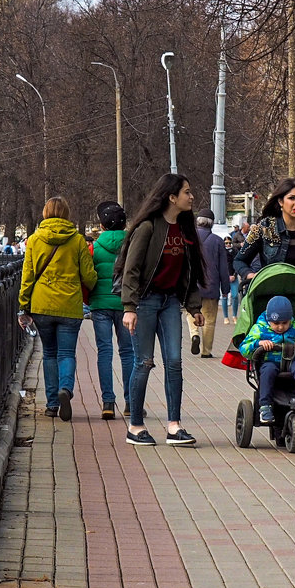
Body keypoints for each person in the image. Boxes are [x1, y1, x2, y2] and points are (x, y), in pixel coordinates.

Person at [118, 173, 206, 446]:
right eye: (186, 192)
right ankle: (135, 426)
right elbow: (130, 270)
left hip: (170, 302)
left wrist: (194, 306)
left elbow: (189, 273)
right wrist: (129, 307)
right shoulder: (147, 227)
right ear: (171, 197)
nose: (191, 197)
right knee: (143, 362)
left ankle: (174, 426)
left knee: (174, 362)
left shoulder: (185, 229)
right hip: (145, 302)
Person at [18, 196, 98, 421]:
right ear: (66, 214)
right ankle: (66, 389)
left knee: (49, 353)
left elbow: (28, 276)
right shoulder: (77, 240)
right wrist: (92, 287)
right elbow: (88, 275)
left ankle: (52, 404)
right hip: (70, 306)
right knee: (66, 353)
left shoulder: (34, 240)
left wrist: (24, 305)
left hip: (42, 306)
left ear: (45, 213)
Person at [86, 201, 136, 420]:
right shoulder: (133, 245)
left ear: (102, 225)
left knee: (104, 353)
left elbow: (88, 276)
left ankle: (108, 402)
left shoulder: (93, 248)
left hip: (100, 306)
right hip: (126, 305)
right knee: (128, 353)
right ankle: (131, 402)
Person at [234, 177, 295, 285]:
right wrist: (251, 275)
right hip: (272, 294)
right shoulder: (264, 228)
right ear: (281, 201)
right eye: (292, 198)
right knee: (280, 302)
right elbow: (239, 261)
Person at [238, 295, 295, 423]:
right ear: (269, 319)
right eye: (276, 323)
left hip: (292, 361)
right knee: (267, 371)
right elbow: (243, 348)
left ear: (290, 319)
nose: (280, 327)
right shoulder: (260, 328)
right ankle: (265, 406)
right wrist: (259, 343)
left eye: (285, 323)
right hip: (269, 361)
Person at [188, 208, 231, 358]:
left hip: (191, 286)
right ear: (212, 223)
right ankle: (206, 351)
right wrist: (225, 288)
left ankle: (194, 334)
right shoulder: (218, 241)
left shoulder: (188, 238)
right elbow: (223, 268)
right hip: (211, 287)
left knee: (190, 313)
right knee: (209, 319)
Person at [221, 237, 240, 324]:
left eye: (229, 242)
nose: (228, 244)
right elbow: (221, 265)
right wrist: (225, 276)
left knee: (235, 296)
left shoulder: (235, 251)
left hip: (234, 276)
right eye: (226, 243)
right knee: (224, 296)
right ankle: (225, 317)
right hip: (225, 277)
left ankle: (234, 315)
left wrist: (234, 275)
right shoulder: (221, 252)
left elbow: (237, 263)